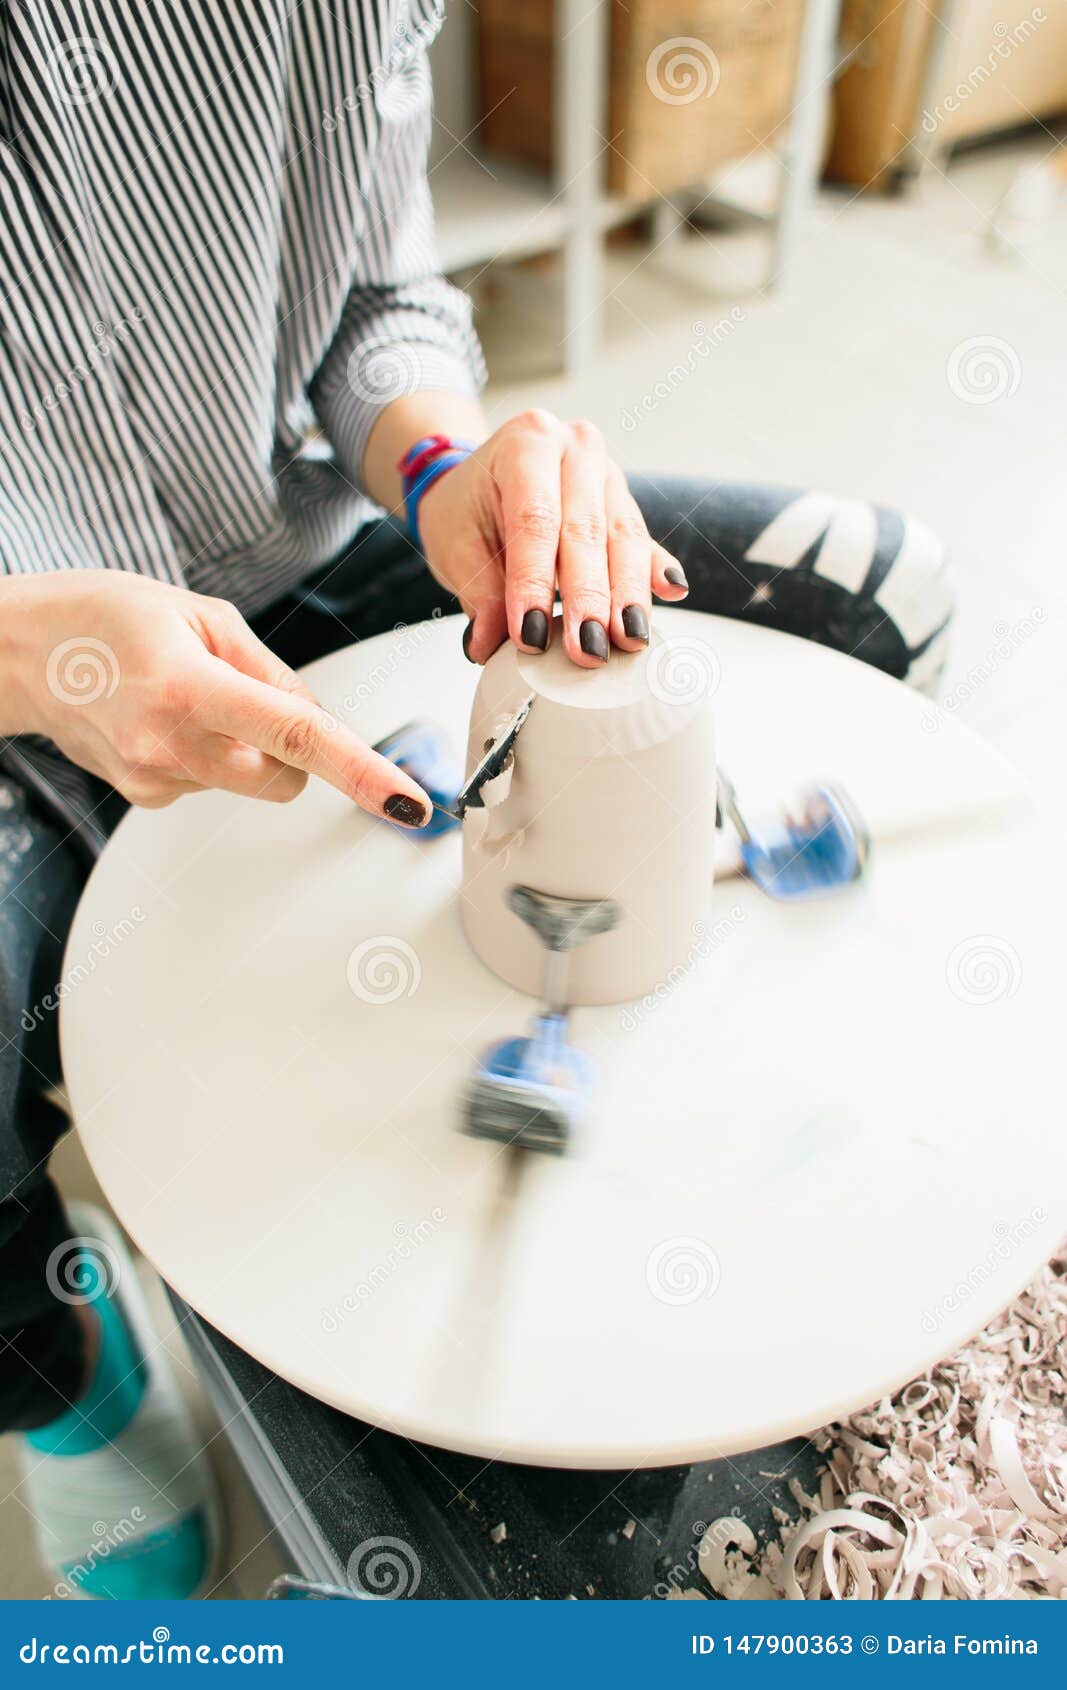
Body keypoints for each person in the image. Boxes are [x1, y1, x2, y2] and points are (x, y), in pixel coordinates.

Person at [0, 2, 952, 1598]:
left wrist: (446, 469)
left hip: (301, 549)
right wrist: (28, 652)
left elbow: (374, 301)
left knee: (886, 590)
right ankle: (59, 1360)